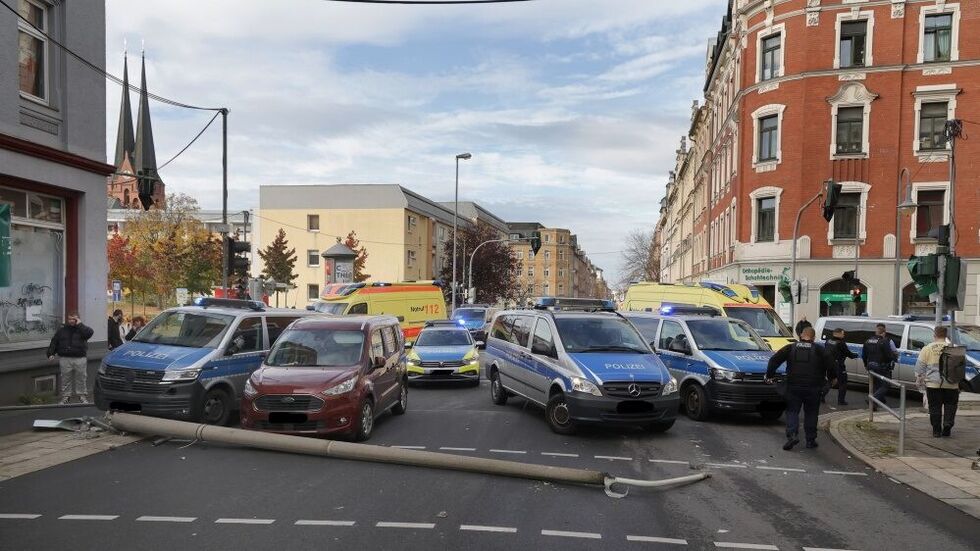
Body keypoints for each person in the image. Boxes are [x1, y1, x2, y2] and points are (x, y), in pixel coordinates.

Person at [766, 327, 836, 451]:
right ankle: (810, 440)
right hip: (814, 387)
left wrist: (770, 375)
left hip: (793, 386)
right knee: (811, 413)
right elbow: (831, 364)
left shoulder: (790, 348)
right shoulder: (819, 350)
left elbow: (774, 360)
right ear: (813, 338)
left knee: (792, 411)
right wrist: (832, 379)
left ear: (801, 335)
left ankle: (792, 435)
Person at [915, 326, 960, 437]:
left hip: (933, 384)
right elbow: (960, 368)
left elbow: (919, 369)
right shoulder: (954, 348)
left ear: (934, 335)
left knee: (935, 407)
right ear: (946, 336)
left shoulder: (927, 348)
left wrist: (920, 383)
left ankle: (936, 430)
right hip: (951, 384)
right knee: (950, 406)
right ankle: (948, 425)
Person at [47, 312, 94, 404]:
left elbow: (89, 333)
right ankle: (66, 397)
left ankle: (82, 396)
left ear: (78, 319)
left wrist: (80, 324)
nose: (72, 321)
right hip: (65, 358)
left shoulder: (82, 329)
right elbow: (54, 341)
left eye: (74, 319)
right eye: (70, 319)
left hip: (80, 358)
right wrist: (51, 353)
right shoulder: (62, 330)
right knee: (65, 378)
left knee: (81, 378)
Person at [862, 323, 896, 408]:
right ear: (884, 332)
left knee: (875, 385)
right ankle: (873, 399)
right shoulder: (884, 341)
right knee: (886, 384)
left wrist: (866, 365)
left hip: (870, 365)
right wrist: (892, 360)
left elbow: (863, 355)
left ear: (876, 331)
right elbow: (889, 356)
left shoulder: (868, 340)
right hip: (881, 366)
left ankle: (873, 406)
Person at [825, 328, 857, 405]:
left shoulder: (828, 341)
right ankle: (841, 401)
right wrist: (856, 355)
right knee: (843, 383)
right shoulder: (841, 343)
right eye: (843, 333)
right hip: (838, 365)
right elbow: (848, 353)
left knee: (830, 381)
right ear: (838, 334)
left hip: (829, 364)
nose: (844, 335)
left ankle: (821, 396)